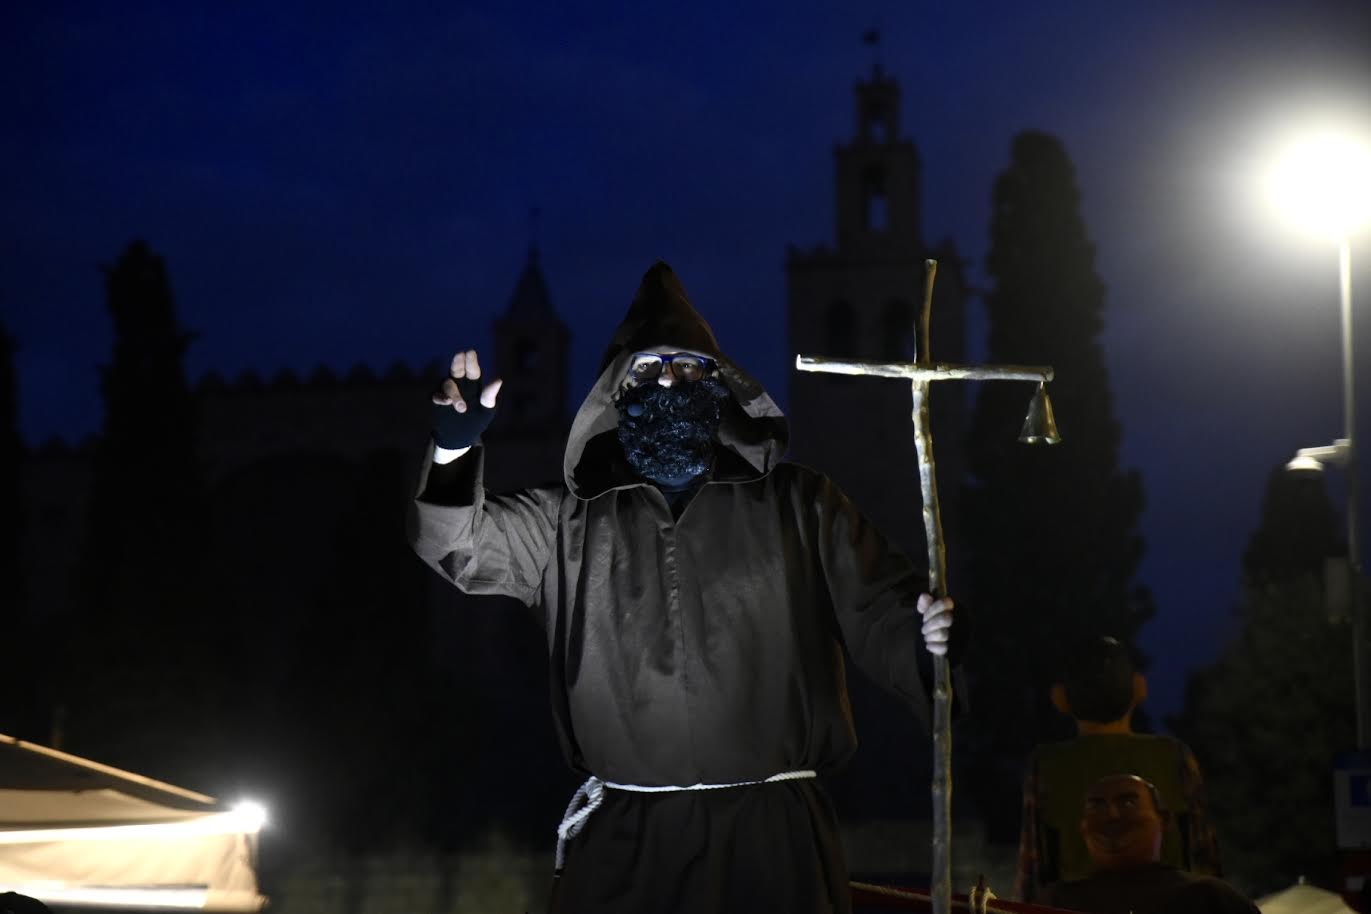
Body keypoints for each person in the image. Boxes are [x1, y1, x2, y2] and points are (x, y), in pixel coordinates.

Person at [408, 261, 959, 914]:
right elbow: (456, 544)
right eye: (646, 371)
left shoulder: (799, 505)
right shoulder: (565, 520)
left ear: (718, 385)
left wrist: (926, 638)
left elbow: (881, 610)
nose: (667, 381)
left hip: (769, 837)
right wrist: (452, 455)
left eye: (685, 368)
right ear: (616, 391)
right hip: (624, 844)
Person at [1015, 636, 1220, 902]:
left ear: (1060, 698)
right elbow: (1204, 856)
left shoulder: (1046, 764)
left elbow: (1033, 868)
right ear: (1139, 688)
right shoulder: (1174, 755)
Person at [1040, 775, 1257, 914]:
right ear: (1082, 826)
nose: (1111, 816)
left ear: (1163, 819)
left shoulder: (1210, 898)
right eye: (1096, 807)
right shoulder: (1056, 900)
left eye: (1127, 803)